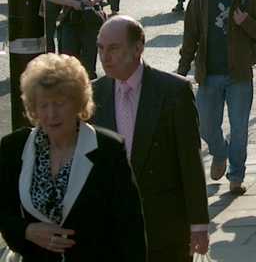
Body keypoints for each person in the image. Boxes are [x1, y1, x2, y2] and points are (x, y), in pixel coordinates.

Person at [0, 53, 146, 260]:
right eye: (44, 105)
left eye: (59, 103)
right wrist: (26, 231)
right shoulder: (13, 147)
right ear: (33, 108)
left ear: (78, 103)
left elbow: (131, 230)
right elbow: (4, 212)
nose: (52, 114)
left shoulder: (108, 150)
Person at [93, 16, 210, 260]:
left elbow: (189, 160)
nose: (105, 57)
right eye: (101, 48)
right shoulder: (93, 94)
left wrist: (198, 224)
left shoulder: (173, 91)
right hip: (112, 228)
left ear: (138, 48)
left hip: (165, 226)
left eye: (113, 48)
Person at [179, 0, 256, 196]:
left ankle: (236, 175)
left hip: (239, 74)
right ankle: (219, 152)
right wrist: (181, 71)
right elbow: (190, 38)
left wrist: (247, 24)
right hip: (209, 74)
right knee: (205, 127)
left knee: (239, 128)